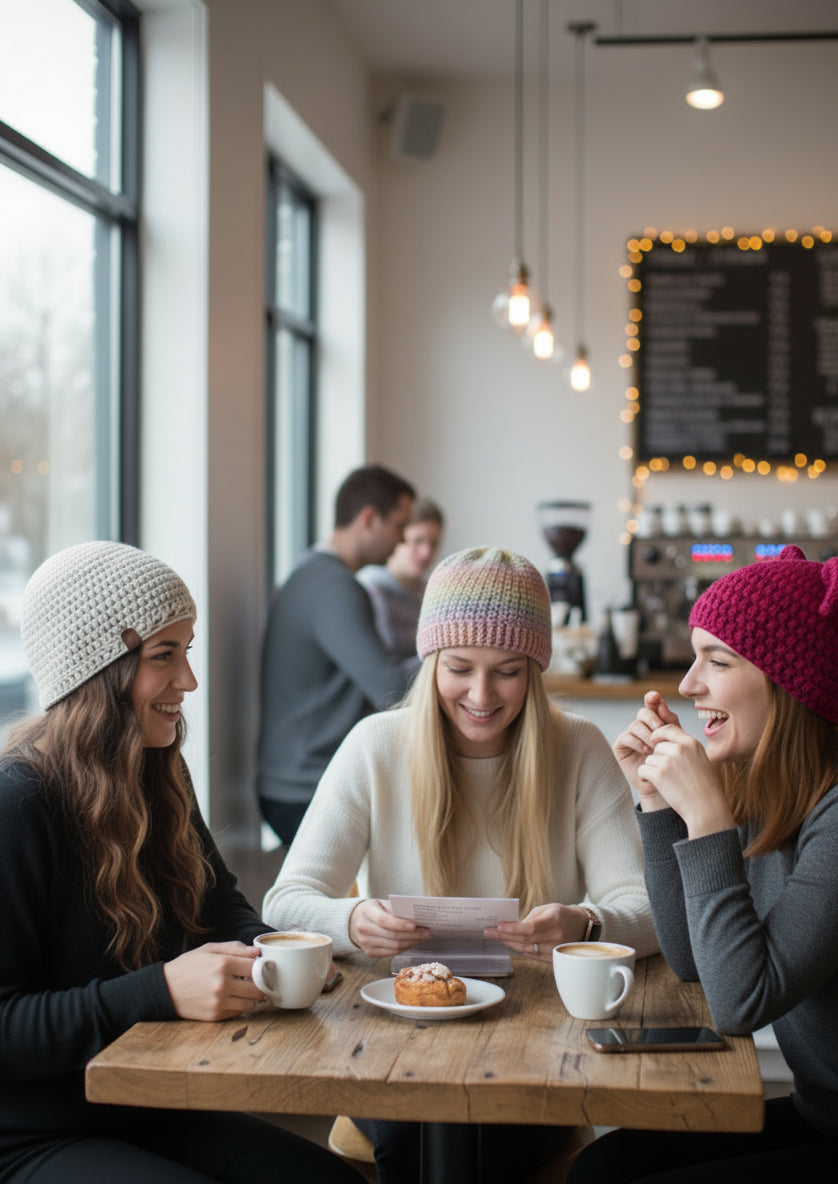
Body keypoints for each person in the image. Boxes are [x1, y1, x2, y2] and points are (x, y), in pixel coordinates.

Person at [263, 546, 658, 1183]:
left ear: (534, 671)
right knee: (416, 1138)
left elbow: (647, 908)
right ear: (429, 664)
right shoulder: (376, 745)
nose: (480, 695)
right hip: (396, 1034)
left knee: (491, 1148)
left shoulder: (578, 747)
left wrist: (586, 924)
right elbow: (285, 902)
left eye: (507, 670)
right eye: (459, 668)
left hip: (535, 1038)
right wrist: (354, 917)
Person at [0, 541, 361, 1184]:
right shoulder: (17, 804)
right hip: (31, 1134)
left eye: (186, 651)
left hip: (147, 1102)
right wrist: (161, 990)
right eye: (163, 656)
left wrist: (271, 948)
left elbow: (216, 899)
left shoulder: (155, 768)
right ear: (96, 672)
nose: (189, 682)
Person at [569, 544, 838, 1184]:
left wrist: (706, 820)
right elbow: (690, 961)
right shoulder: (763, 785)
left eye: (718, 660)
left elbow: (739, 1001)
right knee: (601, 1169)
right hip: (825, 1115)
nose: (687, 684)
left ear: (786, 684)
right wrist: (656, 805)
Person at [256, 463, 419, 847]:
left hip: (291, 785)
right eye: (399, 525)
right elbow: (391, 688)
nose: (401, 541)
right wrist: (448, 645)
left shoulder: (310, 575)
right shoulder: (335, 587)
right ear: (368, 518)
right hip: (304, 790)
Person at [357, 497, 444, 661]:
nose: (426, 552)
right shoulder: (371, 590)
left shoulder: (432, 593)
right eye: (417, 541)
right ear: (398, 537)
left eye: (434, 544)